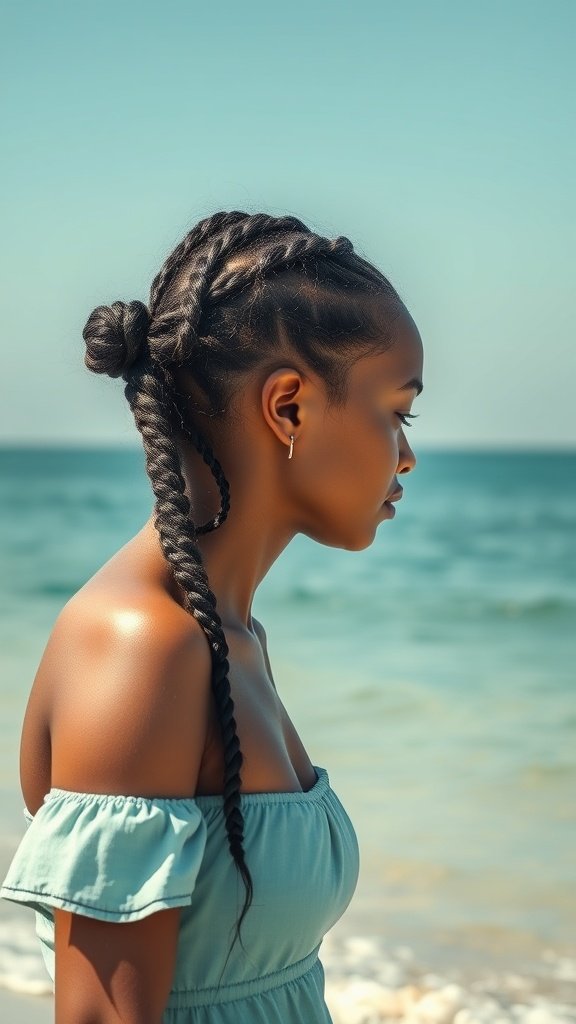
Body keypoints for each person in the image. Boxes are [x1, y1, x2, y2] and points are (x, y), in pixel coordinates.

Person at [1, 210, 423, 1023]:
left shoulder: (229, 639)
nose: (406, 455)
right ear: (289, 408)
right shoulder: (142, 651)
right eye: (397, 411)